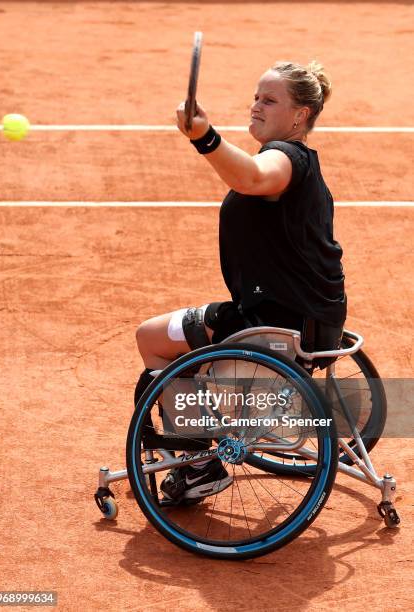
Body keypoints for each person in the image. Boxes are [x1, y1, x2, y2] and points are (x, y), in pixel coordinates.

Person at [134, 60, 347, 503]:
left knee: (153, 340)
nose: (256, 106)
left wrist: (204, 138)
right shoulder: (299, 162)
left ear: (300, 116)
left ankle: (198, 467)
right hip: (305, 316)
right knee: (168, 335)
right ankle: (196, 440)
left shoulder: (285, 158)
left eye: (269, 100)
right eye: (256, 96)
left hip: (272, 321)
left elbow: (252, 176)